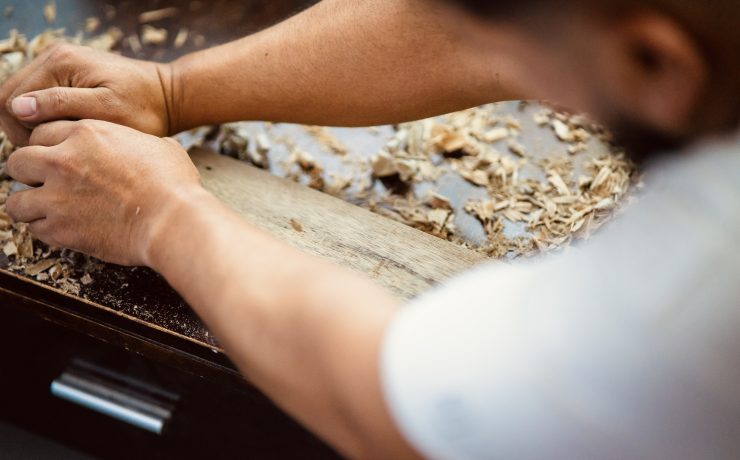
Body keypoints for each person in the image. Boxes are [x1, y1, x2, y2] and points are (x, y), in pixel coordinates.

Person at [0, 0, 738, 458]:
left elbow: (401, 411)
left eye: (532, 63)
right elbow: (463, 33)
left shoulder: (692, 293)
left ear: (655, 63)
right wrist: (176, 87)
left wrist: (157, 215)